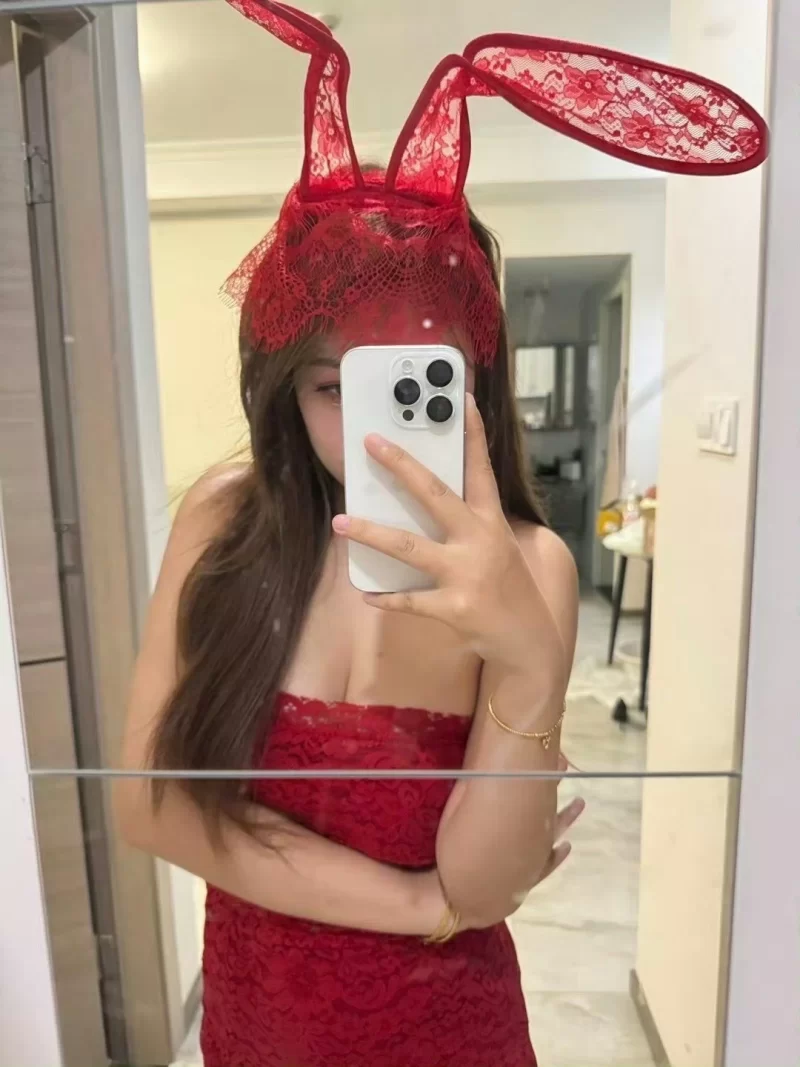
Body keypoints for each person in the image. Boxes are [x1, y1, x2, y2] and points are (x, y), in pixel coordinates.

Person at [116, 3, 768, 1065]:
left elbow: (484, 884)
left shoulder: (534, 566)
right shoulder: (224, 520)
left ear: (475, 377)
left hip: (448, 1032)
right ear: (282, 387)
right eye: (333, 387)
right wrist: (416, 900)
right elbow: (151, 805)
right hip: (256, 1020)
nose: (373, 428)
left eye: (413, 383)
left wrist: (527, 663)